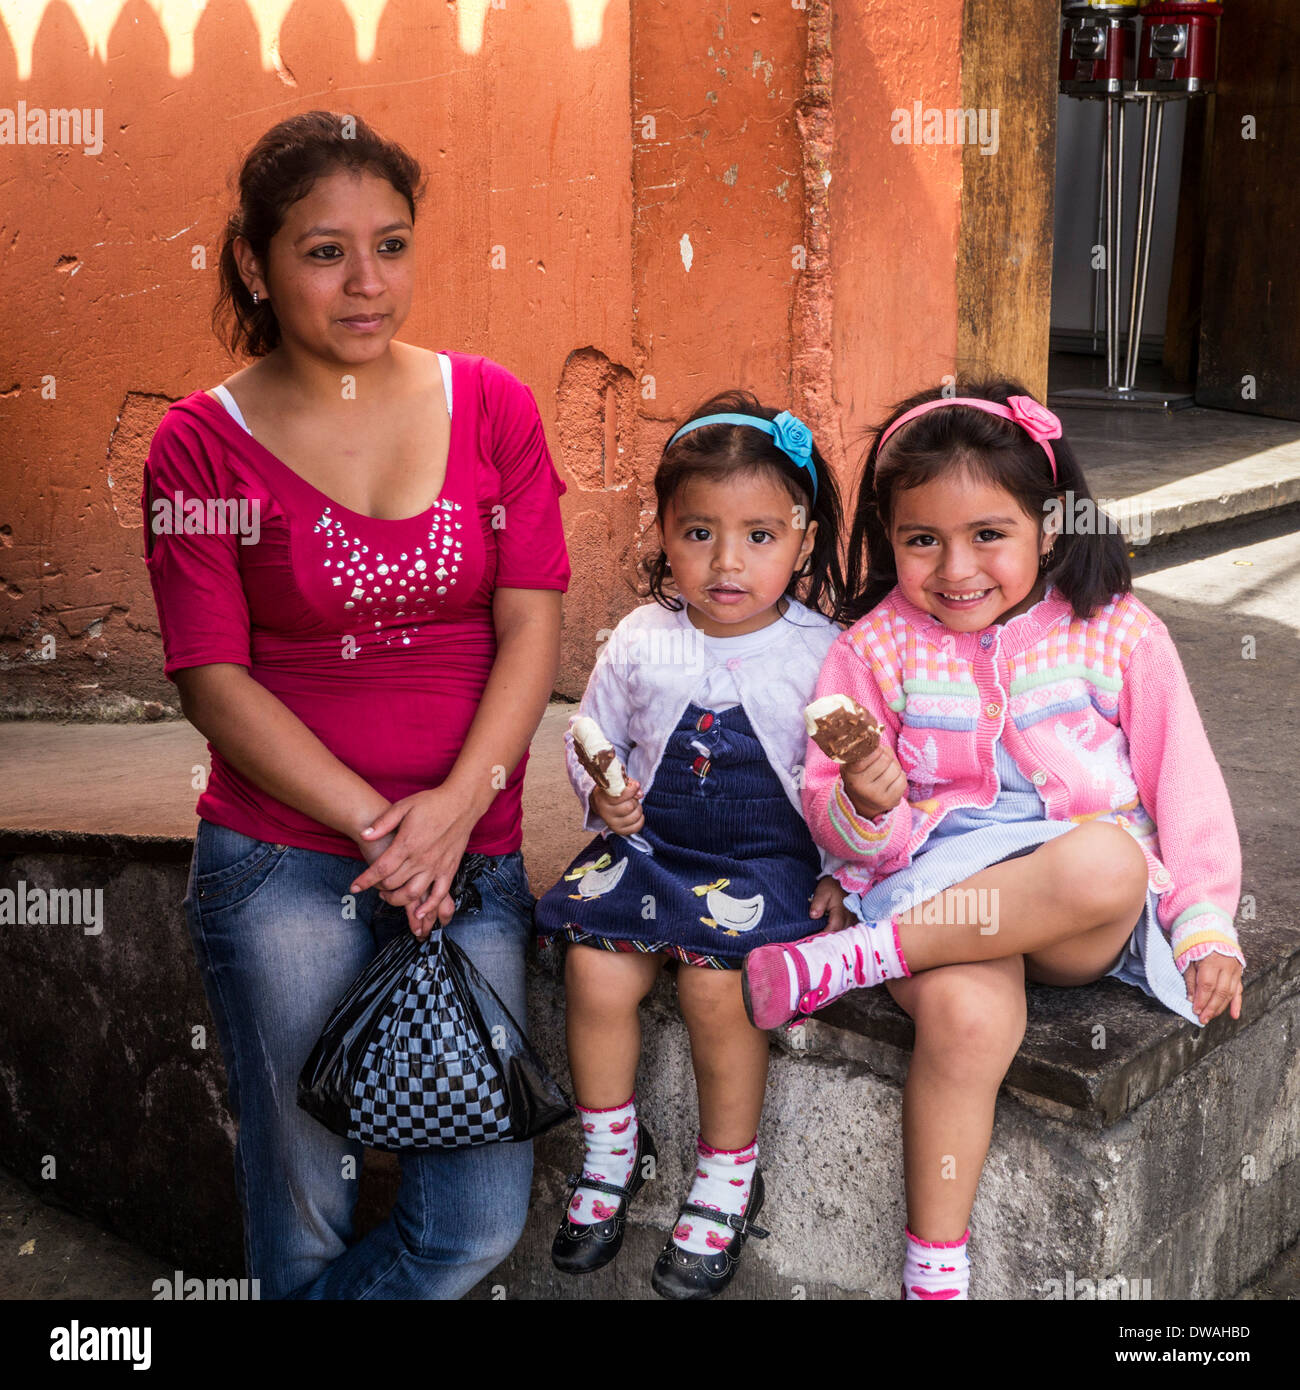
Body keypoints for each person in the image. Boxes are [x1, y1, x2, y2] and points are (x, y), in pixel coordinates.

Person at [141, 111, 570, 1299]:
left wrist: (457, 808)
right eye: (325, 251)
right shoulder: (197, 448)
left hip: (469, 862)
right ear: (254, 263)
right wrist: (389, 828)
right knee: (305, 1206)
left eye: (391, 244)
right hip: (282, 867)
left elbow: (532, 621)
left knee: (473, 1224)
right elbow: (210, 679)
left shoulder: (495, 408)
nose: (366, 282)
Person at [741, 379, 1247, 1299]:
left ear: (1048, 528)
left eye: (989, 535)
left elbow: (1188, 788)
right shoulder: (875, 649)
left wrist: (1204, 922)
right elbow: (848, 835)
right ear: (888, 535)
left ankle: (854, 959)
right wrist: (865, 800)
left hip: (1069, 911)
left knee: (1107, 860)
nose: (954, 567)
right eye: (920, 539)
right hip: (936, 888)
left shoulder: (1117, 632)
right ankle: (934, 1272)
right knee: (968, 1020)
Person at [533, 392, 851, 1299]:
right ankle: (611, 1149)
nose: (726, 561)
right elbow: (592, 734)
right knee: (594, 969)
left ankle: (725, 1172)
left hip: (761, 863)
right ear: (664, 534)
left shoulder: (822, 652)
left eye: (760, 535)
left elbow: (846, 777)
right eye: (699, 532)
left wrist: (844, 874)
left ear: (802, 536)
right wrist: (607, 790)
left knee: (720, 985)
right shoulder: (641, 639)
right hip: (651, 850)